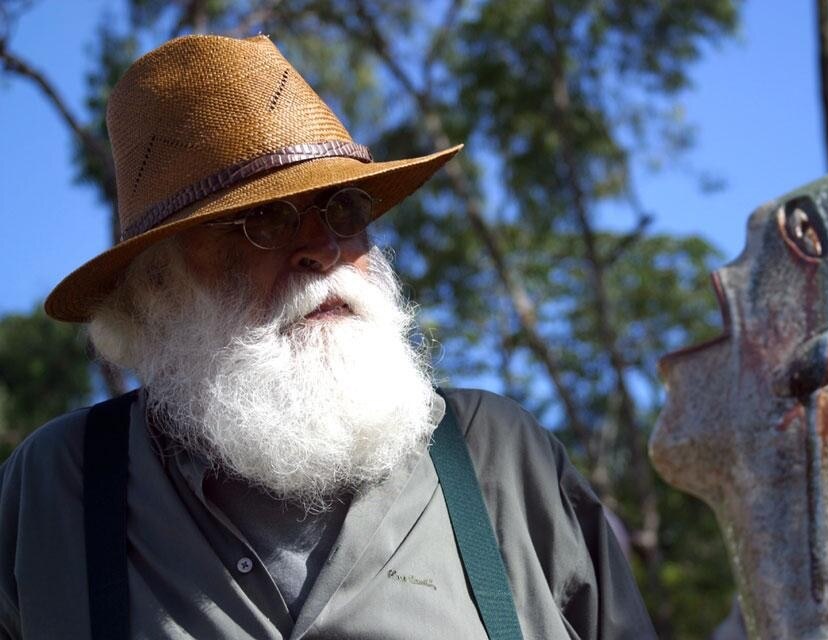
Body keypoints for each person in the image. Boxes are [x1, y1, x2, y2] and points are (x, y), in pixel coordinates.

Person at [0, 34, 655, 639]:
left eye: (343, 208)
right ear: (156, 288)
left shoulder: (501, 460)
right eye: (263, 220)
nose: (324, 248)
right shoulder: (58, 488)